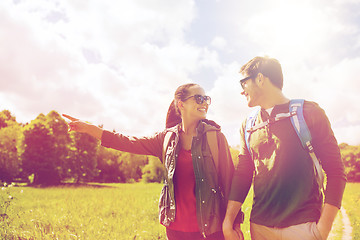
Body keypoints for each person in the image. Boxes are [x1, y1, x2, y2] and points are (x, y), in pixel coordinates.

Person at [63, 83, 238, 240]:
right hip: (175, 228)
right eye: (199, 98)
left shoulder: (216, 138)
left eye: (206, 98)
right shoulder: (166, 138)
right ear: (181, 104)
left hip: (210, 229)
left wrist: (234, 224)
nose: (204, 102)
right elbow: (129, 142)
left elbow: (230, 184)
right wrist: (92, 130)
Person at [222, 56, 346, 240]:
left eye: (243, 83)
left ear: (260, 79)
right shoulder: (247, 125)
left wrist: (323, 229)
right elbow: (243, 174)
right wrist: (228, 220)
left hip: (303, 228)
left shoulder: (309, 113)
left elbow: (336, 172)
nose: (242, 91)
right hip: (259, 227)